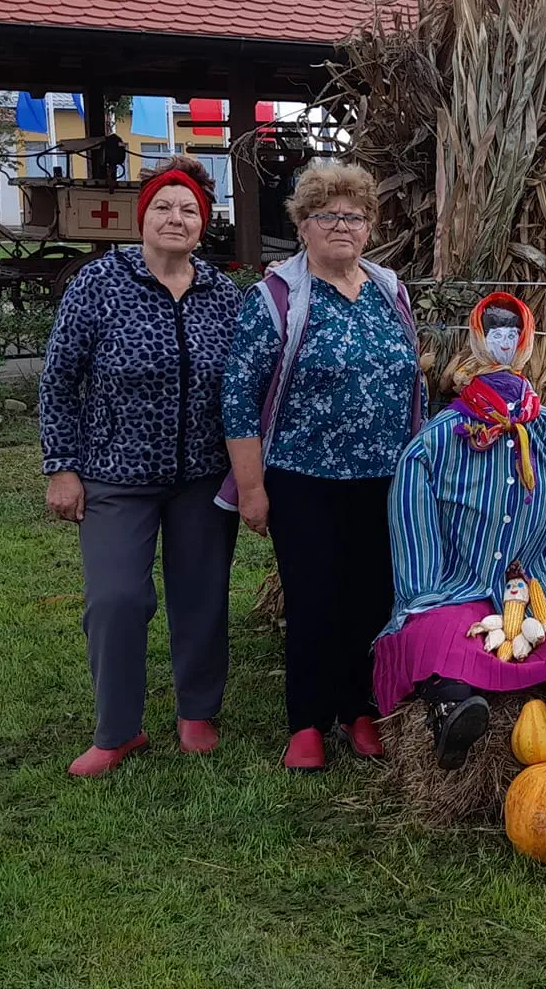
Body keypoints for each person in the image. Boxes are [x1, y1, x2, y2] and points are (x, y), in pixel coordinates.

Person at [40, 154, 242, 778]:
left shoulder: (222, 294)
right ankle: (117, 729)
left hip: (203, 477)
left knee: (202, 596)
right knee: (117, 599)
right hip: (114, 475)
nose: (175, 218)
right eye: (162, 207)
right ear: (141, 217)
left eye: (188, 210)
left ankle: (197, 712)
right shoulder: (100, 283)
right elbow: (57, 380)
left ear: (202, 225)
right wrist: (62, 467)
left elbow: (242, 385)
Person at [223, 162, 423, 771]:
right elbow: (237, 394)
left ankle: (357, 708)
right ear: (303, 226)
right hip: (302, 475)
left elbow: (410, 380)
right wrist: (252, 487)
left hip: (382, 478)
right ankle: (306, 722)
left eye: (355, 216)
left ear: (369, 227)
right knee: (314, 596)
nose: (343, 226)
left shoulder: (390, 291)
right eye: (327, 216)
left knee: (371, 594)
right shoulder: (278, 297)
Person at [373, 294, 546, 766]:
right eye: (495, 334)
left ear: (527, 343)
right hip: (460, 586)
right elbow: (415, 534)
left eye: (513, 334)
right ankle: (453, 707)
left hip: (540, 589)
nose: (505, 344)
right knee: (436, 634)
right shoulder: (434, 444)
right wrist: (422, 599)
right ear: (477, 340)